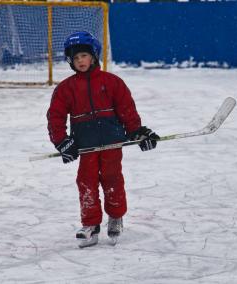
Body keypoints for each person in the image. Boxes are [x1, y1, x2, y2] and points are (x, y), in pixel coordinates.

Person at [46, 31, 159, 247]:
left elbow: (127, 110)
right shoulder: (66, 88)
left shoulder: (112, 82)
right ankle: (90, 225)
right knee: (86, 183)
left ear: (94, 56)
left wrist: (137, 132)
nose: (80, 61)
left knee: (112, 179)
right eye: (76, 58)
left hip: (112, 143)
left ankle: (115, 217)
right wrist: (61, 142)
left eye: (84, 56)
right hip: (86, 146)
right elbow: (56, 116)